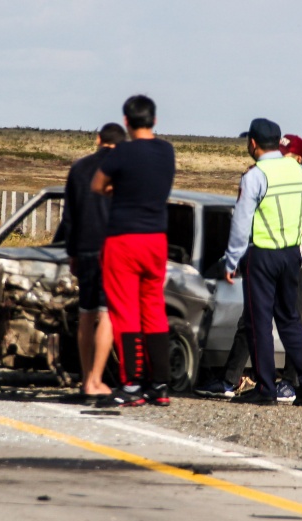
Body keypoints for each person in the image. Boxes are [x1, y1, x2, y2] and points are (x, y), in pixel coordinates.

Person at [196, 133, 302, 403]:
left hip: (269, 255)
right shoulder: (289, 175)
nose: (283, 158)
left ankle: (275, 386)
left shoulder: (281, 177)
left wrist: (233, 259)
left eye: (289, 154)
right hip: (287, 257)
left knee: (266, 322)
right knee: (279, 321)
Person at [222, 118, 302, 407]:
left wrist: (232, 260)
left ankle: (266, 387)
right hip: (292, 254)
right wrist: (299, 248)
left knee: (258, 323)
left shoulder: (255, 176)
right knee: (290, 320)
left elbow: (241, 223)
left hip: (262, 254)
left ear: (253, 143)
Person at [90, 95, 176, 407]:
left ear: (126, 121)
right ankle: (161, 384)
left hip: (124, 239)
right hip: (156, 238)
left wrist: (117, 189)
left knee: (124, 312)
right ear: (154, 120)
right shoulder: (167, 151)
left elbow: (98, 185)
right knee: (154, 310)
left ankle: (132, 384)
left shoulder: (123, 152)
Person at [60, 122, 126, 401]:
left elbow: (69, 217)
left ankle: (86, 377)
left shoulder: (78, 168)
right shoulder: (122, 171)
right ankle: (96, 381)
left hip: (84, 250)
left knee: (86, 314)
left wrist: (72, 253)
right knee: (108, 314)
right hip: (111, 250)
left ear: (98, 139)